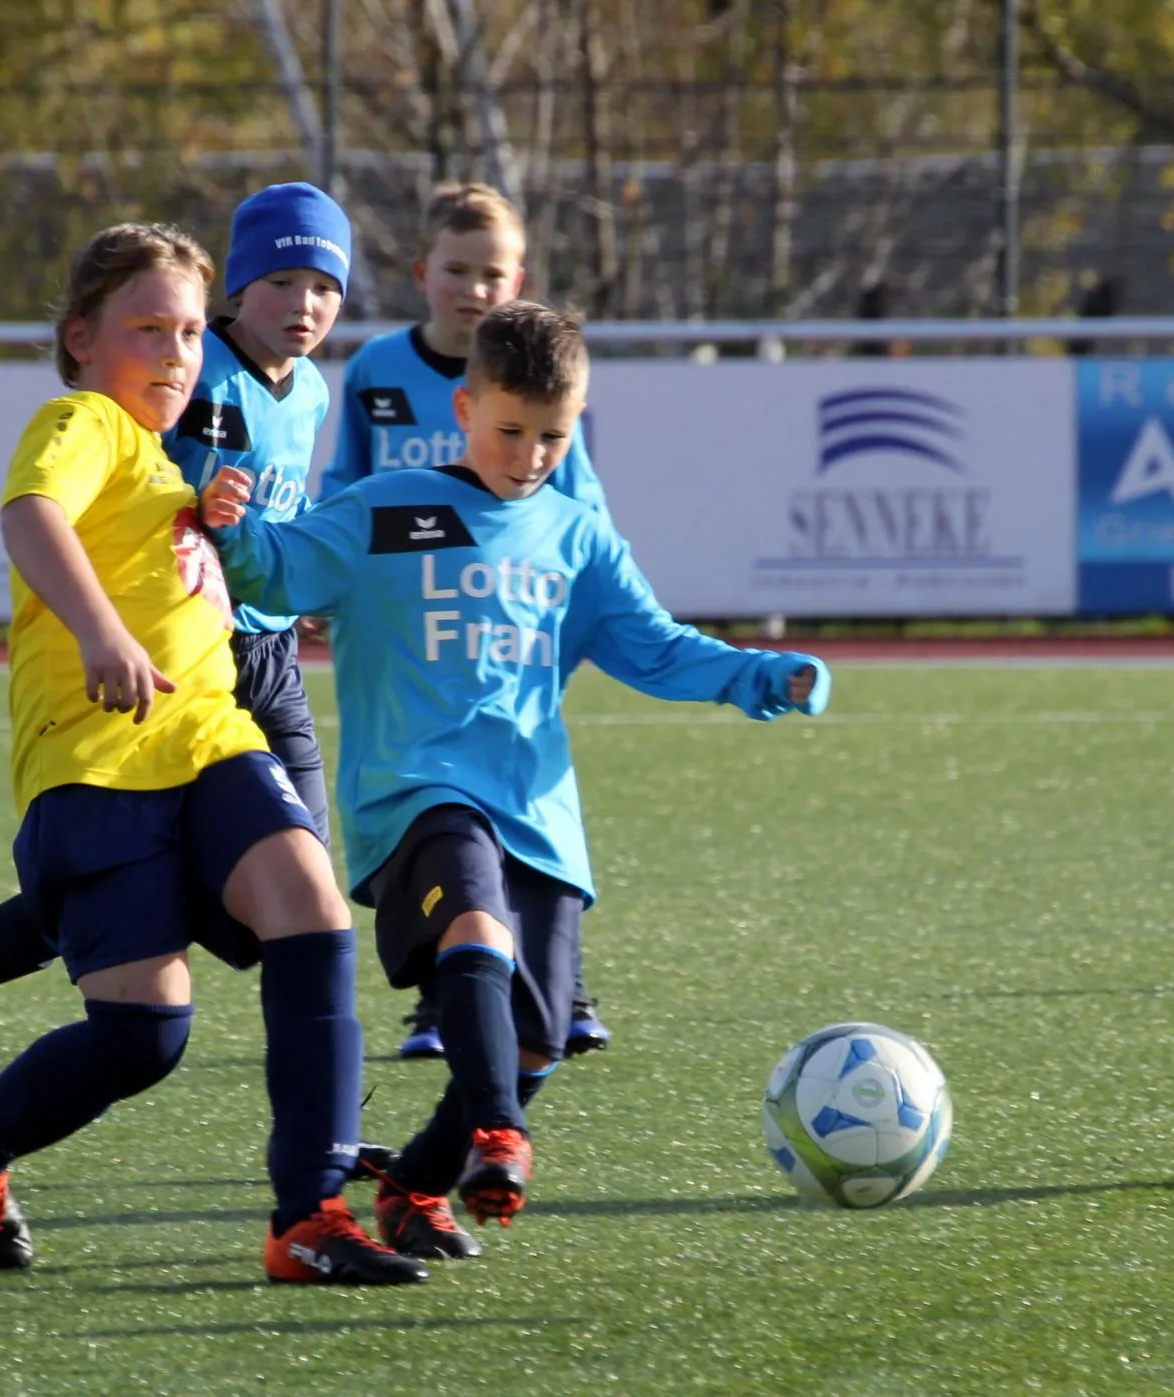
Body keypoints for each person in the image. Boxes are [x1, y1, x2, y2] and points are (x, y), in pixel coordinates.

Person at [201, 302, 828, 1259]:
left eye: (553, 436)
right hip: (416, 794)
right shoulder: (385, 509)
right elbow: (276, 572)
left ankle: (416, 1182)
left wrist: (764, 676)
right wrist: (232, 527)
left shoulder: (578, 536)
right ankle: (500, 1133)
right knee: (477, 927)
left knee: (536, 1039)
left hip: (536, 809)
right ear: (464, 407)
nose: (530, 455)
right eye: (510, 430)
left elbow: (656, 648)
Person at [0, 221, 425, 1286]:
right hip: (92, 766)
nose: (177, 353)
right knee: (144, 1036)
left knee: (312, 910)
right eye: (148, 329)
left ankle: (310, 1212)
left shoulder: (166, 464)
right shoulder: (81, 418)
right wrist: (102, 633)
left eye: (188, 332)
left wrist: (216, 521)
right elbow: (30, 514)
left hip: (210, 739)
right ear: (80, 338)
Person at [0, 184, 353, 1094]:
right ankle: (316, 1139)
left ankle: (319, 1142)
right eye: (283, 282)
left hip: (250, 667)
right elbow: (70, 504)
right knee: (235, 910)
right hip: (160, 681)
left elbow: (196, 512)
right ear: (239, 287)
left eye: (325, 286)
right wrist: (106, 628)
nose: (305, 303)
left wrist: (262, 561)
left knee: (292, 900)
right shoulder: (139, 395)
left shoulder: (308, 391)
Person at [318, 181, 612, 1060]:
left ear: (519, 278)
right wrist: (329, 576)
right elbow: (347, 485)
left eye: (493, 273)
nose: (474, 288)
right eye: (457, 269)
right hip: (409, 622)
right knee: (431, 809)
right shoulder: (378, 370)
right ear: (422, 273)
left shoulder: (534, 377)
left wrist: (595, 595)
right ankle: (438, 1004)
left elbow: (579, 500)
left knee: (520, 800)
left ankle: (562, 984)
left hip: (503, 611)